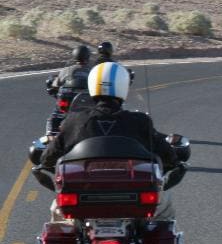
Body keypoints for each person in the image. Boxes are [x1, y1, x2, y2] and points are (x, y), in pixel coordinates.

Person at [40, 62, 180, 221]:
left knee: (57, 214)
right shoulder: (140, 122)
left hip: (82, 201)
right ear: (123, 87)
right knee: (164, 206)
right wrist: (174, 160)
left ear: (92, 86)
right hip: (134, 200)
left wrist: (45, 160)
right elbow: (170, 157)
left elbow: (46, 159)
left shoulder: (73, 121)